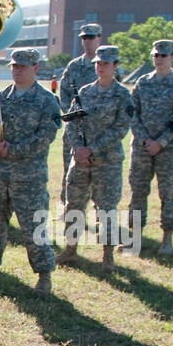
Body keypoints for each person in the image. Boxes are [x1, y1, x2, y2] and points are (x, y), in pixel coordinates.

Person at [0, 47, 62, 293]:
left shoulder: (46, 101)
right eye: (14, 66)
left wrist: (13, 150)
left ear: (36, 68)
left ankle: (44, 277)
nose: (17, 70)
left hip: (28, 177)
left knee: (34, 228)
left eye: (23, 66)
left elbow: (46, 136)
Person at [57, 45, 133, 268]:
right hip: (79, 160)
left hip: (107, 161)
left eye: (106, 64)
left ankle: (107, 256)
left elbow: (120, 128)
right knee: (74, 205)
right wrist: (79, 148)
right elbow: (71, 122)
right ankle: (70, 250)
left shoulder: (122, 95)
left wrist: (92, 149)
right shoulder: (85, 92)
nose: (101, 67)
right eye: (98, 63)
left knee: (106, 209)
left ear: (115, 66)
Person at [127, 39, 173, 256]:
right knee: (137, 193)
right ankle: (134, 237)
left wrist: (160, 142)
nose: (159, 59)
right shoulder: (142, 82)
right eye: (156, 55)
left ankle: (167, 238)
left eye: (164, 55)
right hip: (142, 148)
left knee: (169, 194)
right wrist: (146, 140)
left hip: (168, 149)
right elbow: (132, 114)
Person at [58, 23, 103, 203]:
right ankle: (66, 204)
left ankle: (99, 207)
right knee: (69, 167)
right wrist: (74, 117)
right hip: (74, 129)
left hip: (99, 130)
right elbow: (64, 94)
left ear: (99, 39)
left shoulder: (106, 65)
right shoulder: (74, 66)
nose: (87, 41)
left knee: (100, 170)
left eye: (91, 37)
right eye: (84, 38)